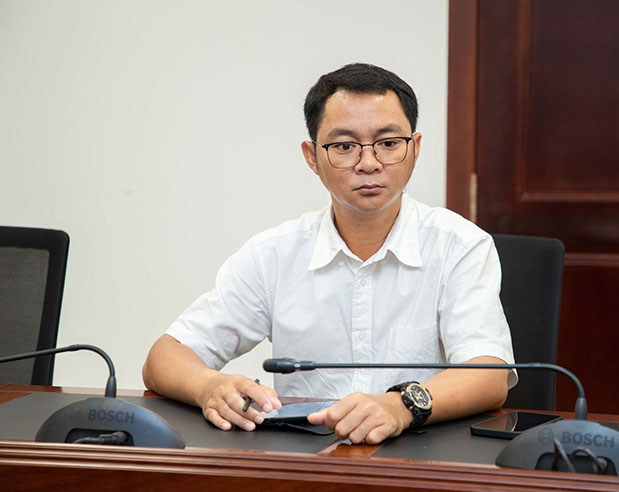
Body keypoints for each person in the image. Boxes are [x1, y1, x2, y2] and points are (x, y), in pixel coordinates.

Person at [142, 63, 516, 445]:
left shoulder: (460, 246)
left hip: (419, 458)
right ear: (312, 157)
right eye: (344, 146)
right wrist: (209, 387)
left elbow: (489, 375)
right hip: (306, 460)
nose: (368, 163)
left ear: (415, 148)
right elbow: (163, 358)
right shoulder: (274, 255)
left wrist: (401, 406)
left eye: (388, 143)